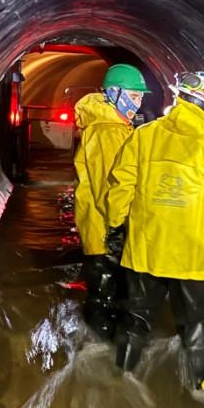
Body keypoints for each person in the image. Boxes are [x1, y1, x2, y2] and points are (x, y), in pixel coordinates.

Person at [105, 71, 204, 391]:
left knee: (136, 319)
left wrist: (115, 226)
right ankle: (200, 387)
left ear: (177, 97)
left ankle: (120, 383)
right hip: (192, 256)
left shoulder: (143, 137)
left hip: (144, 250)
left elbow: (121, 186)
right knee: (195, 323)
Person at [73, 63, 151, 340]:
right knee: (104, 301)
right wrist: (120, 227)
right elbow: (108, 187)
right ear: (114, 94)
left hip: (105, 228)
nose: (138, 102)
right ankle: (99, 351)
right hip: (105, 231)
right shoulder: (106, 132)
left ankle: (100, 349)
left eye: (140, 96)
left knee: (109, 298)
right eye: (134, 95)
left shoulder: (117, 127)